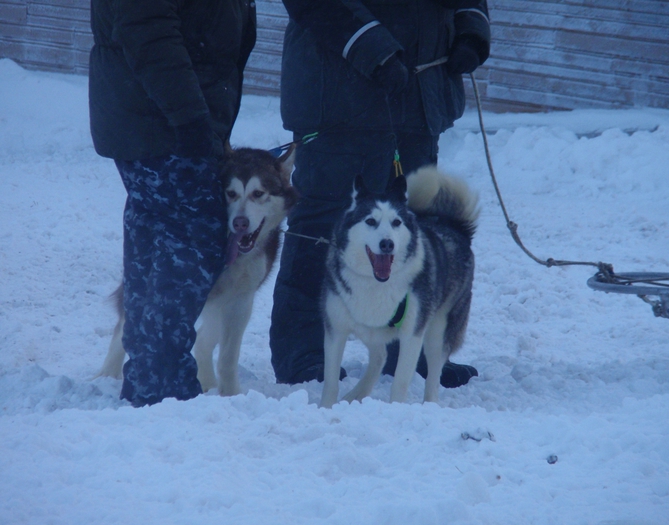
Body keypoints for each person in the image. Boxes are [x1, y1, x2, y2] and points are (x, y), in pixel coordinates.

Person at [270, 0, 491, 386]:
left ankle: (413, 350)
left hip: (420, 94)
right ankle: (305, 352)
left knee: (413, 227)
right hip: (336, 93)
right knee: (324, 225)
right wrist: (370, 46)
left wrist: (471, 28)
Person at [89, 0, 256, 406]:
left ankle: (151, 381)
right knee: (185, 246)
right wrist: (190, 117)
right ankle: (162, 387)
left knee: (156, 246)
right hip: (166, 125)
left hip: (157, 122)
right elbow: (146, 25)